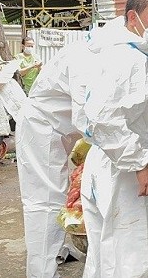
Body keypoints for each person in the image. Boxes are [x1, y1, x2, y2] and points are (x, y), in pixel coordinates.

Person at [15, 15, 125, 277]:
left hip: (59, 130)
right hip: (42, 129)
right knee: (44, 203)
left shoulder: (96, 52)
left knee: (63, 195)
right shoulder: (85, 60)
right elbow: (87, 117)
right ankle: (42, 272)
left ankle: (58, 251)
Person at [79, 0, 148, 278]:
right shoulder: (126, 57)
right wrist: (139, 163)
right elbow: (102, 118)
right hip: (125, 174)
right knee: (135, 260)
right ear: (133, 17)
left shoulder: (133, 51)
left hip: (113, 165)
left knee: (109, 259)